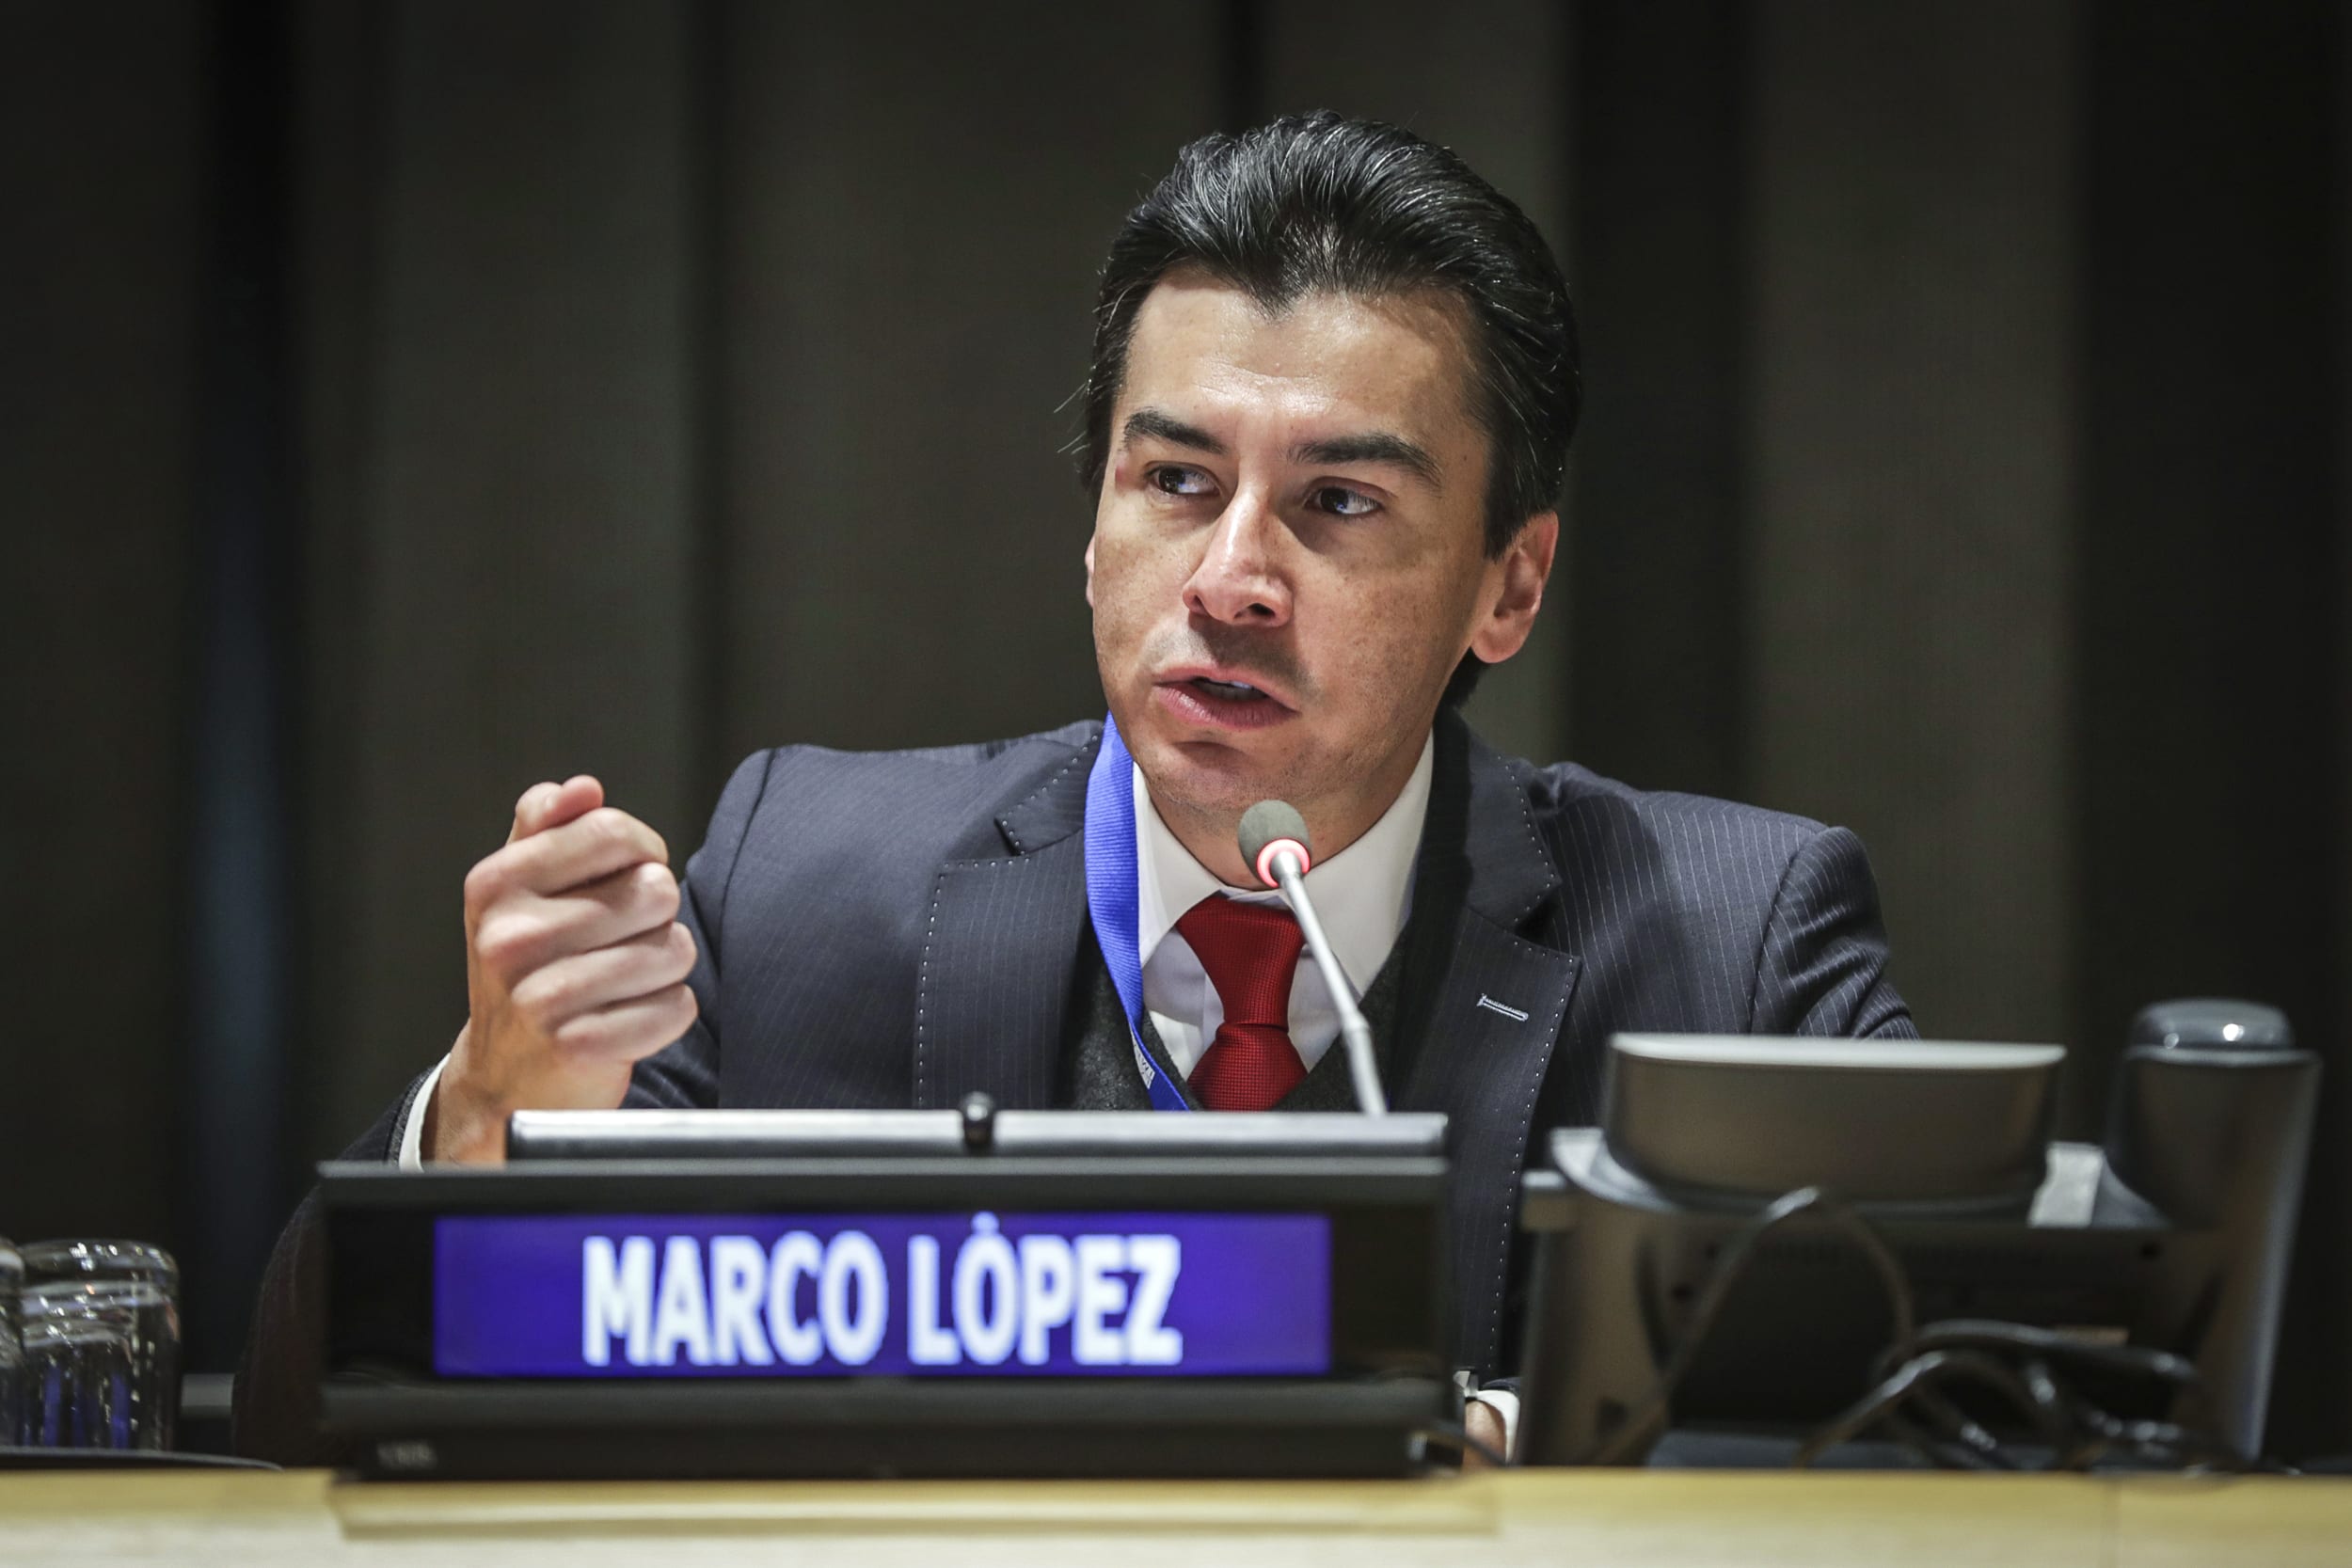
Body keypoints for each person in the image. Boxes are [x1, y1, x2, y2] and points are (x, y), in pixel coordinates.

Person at [234, 112, 1912, 1464]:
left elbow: (1949, 1429)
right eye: (1176, 479)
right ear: (1095, 522)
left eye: (1338, 506)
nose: (1234, 576)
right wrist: (492, 1110)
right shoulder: (805, 876)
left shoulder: (1729, 939)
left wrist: (1505, 1438)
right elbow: (328, 1418)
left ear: (1509, 586)